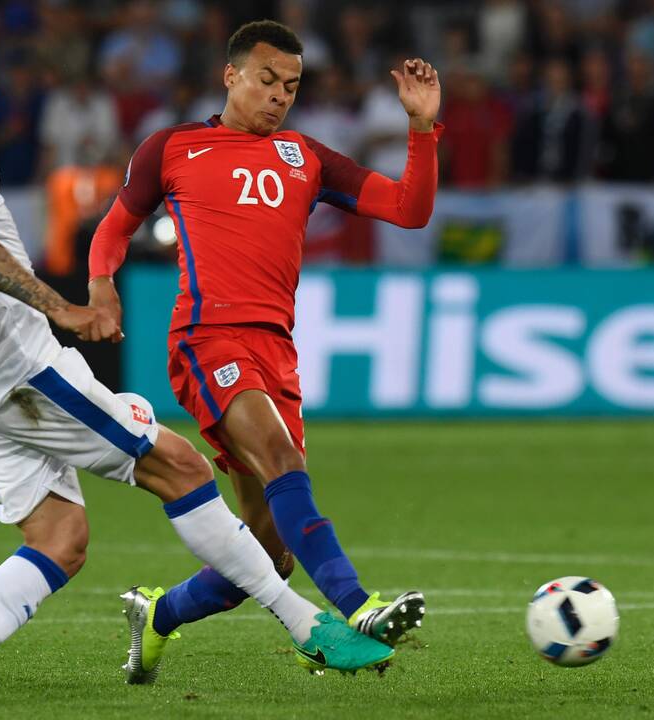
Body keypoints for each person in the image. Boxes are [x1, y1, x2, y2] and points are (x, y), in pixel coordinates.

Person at [0, 33, 394, 705]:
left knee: (61, 540)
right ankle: (309, 624)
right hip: (27, 372)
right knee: (184, 470)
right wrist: (64, 307)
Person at [88, 20, 442, 683]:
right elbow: (113, 227)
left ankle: (159, 616)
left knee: (268, 554)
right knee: (280, 458)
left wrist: (421, 130)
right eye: (267, 80)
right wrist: (101, 288)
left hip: (275, 351)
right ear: (231, 75)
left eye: (292, 86)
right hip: (207, 340)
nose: (280, 96)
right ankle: (355, 606)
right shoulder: (172, 148)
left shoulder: (306, 157)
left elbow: (408, 209)